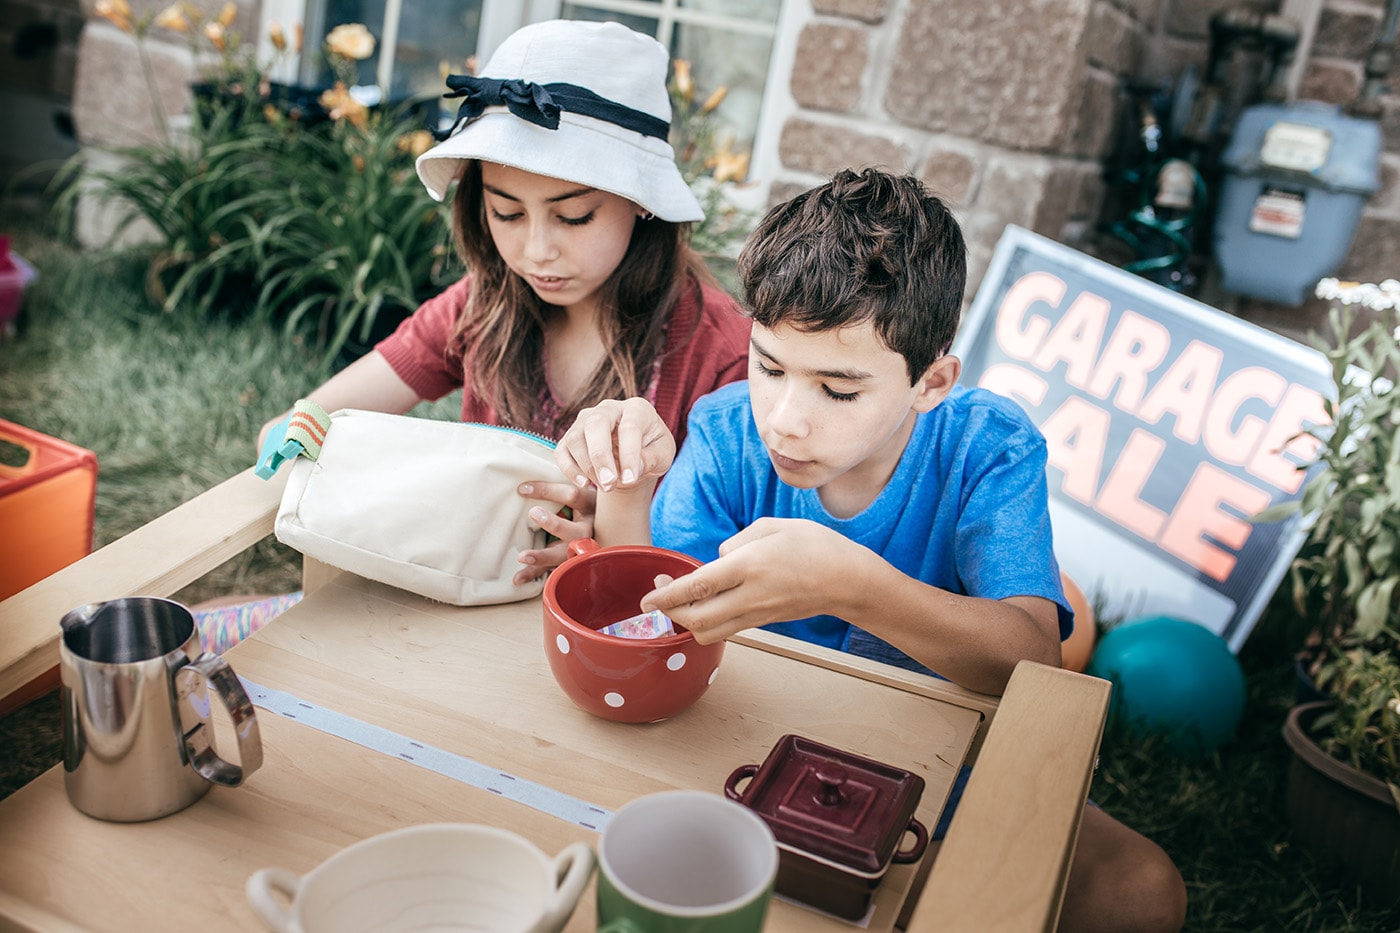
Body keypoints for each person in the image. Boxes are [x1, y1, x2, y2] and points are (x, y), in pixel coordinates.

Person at [554, 167, 1189, 933]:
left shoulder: (986, 446)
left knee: (1143, 890)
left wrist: (853, 586)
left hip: (946, 769)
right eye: (770, 366)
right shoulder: (726, 431)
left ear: (932, 383)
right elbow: (662, 621)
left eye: (839, 390)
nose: (786, 419)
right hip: (756, 749)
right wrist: (628, 485)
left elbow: (1031, 663)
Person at [256, 18, 752, 591]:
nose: (537, 251)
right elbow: (288, 432)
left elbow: (725, 583)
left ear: (643, 203)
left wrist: (617, 534)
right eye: (506, 212)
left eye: (574, 216)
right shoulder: (477, 307)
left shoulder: (724, 356)